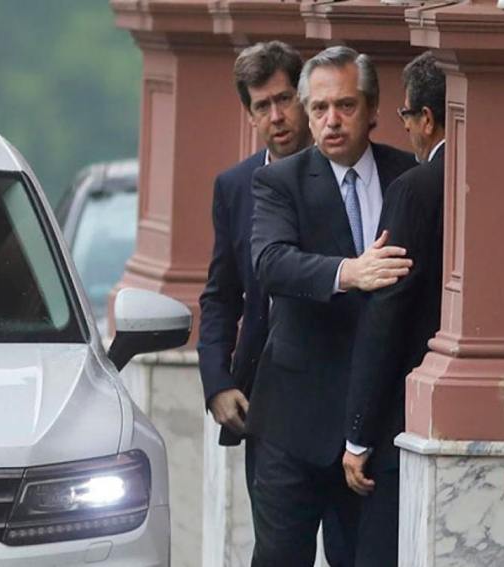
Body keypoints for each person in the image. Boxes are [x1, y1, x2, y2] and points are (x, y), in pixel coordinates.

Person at [248, 45, 417, 566]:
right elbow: (271, 262)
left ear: (372, 109)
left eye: (345, 105)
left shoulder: (406, 175)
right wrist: (349, 272)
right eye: (319, 108)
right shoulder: (280, 181)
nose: (332, 120)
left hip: (374, 425)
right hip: (293, 425)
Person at [340, 50, 446, 567]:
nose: (404, 127)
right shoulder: (494, 177)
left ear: (426, 118)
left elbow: (387, 311)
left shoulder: (414, 187)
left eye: (406, 115)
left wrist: (358, 434)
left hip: (402, 413)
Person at [196, 39, 310, 503]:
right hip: (265, 398)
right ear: (250, 115)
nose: (277, 116)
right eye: (263, 106)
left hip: (338, 397)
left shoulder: (347, 176)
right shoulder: (234, 187)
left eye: (285, 99)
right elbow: (221, 295)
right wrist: (217, 384)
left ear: (303, 98)